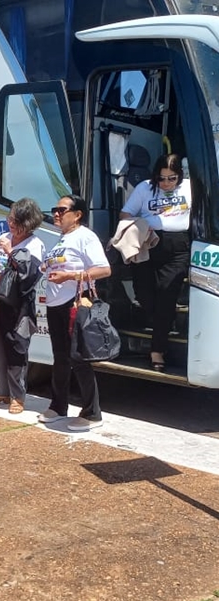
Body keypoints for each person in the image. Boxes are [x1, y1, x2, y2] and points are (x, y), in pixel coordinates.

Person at [39, 195, 111, 431]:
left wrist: (70, 276)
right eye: (54, 209)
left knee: (79, 357)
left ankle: (92, 412)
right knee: (60, 356)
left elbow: (104, 270)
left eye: (61, 210)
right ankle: (59, 405)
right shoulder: (62, 238)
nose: (56, 214)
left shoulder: (85, 236)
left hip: (75, 302)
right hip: (55, 303)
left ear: (77, 214)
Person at [119, 154, 191, 372]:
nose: (167, 183)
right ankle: (163, 324)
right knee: (144, 295)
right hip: (148, 243)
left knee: (167, 294)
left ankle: (157, 349)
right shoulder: (144, 188)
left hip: (178, 245)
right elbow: (125, 214)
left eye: (172, 178)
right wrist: (142, 225)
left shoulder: (190, 188)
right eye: (162, 178)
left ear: (180, 176)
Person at [0, 198, 45, 415]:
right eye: (10, 219)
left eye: (16, 221)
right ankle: (1, 390)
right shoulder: (4, 237)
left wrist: (11, 251)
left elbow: (29, 276)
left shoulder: (35, 244)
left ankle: (17, 396)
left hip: (19, 305)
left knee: (17, 349)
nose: (11, 225)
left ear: (28, 223)